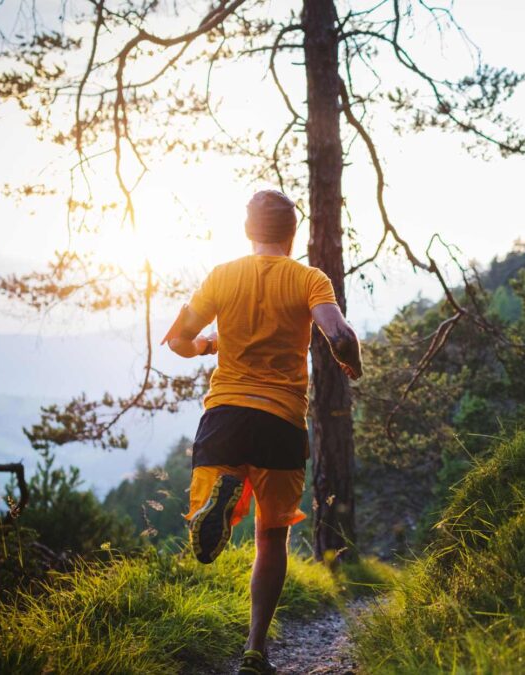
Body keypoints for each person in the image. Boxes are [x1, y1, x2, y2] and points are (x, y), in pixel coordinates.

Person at [162, 189, 363, 675]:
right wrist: (350, 364)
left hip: (225, 416)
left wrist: (209, 344)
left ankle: (217, 502)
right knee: (270, 539)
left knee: (214, 492)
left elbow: (176, 339)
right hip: (280, 422)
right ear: (292, 233)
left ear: (250, 231)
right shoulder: (308, 278)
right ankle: (255, 650)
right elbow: (338, 334)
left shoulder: (222, 275)